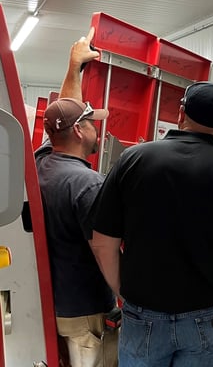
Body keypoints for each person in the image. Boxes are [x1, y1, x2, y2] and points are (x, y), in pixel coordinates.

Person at [89, 81, 213, 367]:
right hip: (211, 315)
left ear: (180, 114)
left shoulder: (133, 160)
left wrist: (122, 290)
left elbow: (102, 241)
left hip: (144, 314)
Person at [35, 27, 119, 367]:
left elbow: (60, 117)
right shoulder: (88, 184)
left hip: (55, 303)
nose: (98, 127)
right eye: (92, 122)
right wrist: (126, 292)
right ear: (81, 131)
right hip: (87, 312)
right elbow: (104, 248)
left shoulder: (40, 162)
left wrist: (75, 67)